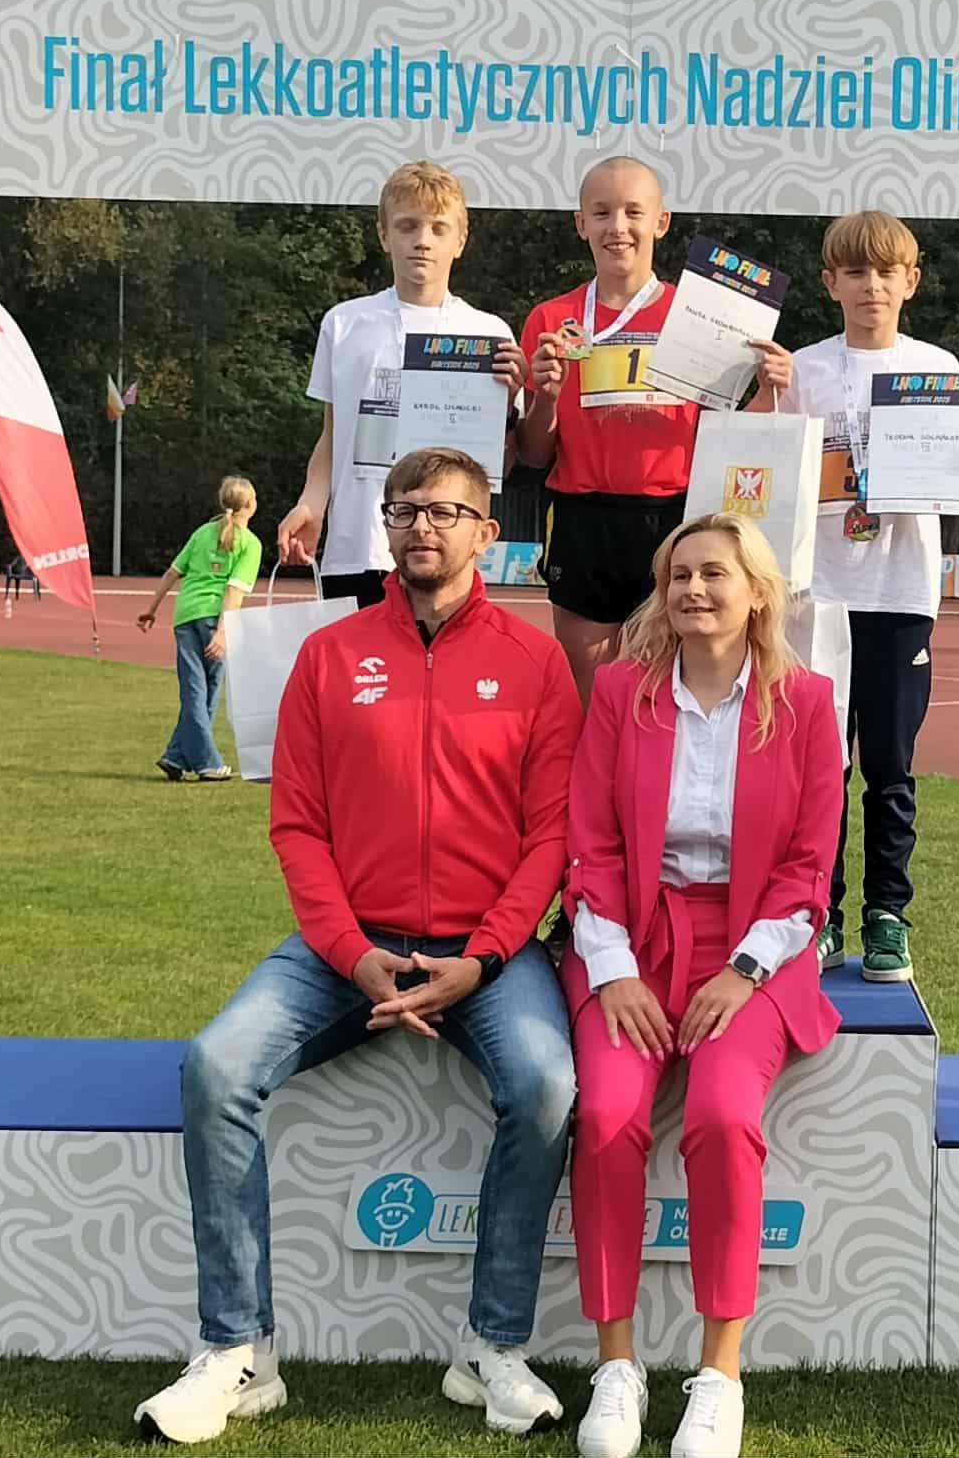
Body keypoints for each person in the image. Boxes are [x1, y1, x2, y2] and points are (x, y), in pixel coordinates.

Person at [136, 449, 582, 1444]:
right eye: (404, 509)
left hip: (486, 954)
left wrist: (485, 957)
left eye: (446, 512)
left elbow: (551, 834)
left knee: (547, 1086)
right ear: (384, 527)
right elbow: (297, 826)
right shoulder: (330, 656)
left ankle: (491, 1346)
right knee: (216, 1066)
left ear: (486, 533)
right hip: (347, 947)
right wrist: (350, 953)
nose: (422, 526)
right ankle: (238, 1351)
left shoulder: (534, 660)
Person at [561, 513, 843, 1458]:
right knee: (607, 1116)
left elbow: (809, 867)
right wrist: (613, 972)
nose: (693, 590)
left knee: (722, 1117)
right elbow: (592, 846)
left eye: (714, 574)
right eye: (678, 575)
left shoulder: (806, 702)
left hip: (753, 944)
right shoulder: (619, 693)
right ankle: (616, 1367)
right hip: (633, 939)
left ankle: (720, 1374)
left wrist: (746, 970)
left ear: (756, 592)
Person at [776, 210, 959, 978]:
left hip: (901, 592)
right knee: (819, 768)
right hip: (816, 594)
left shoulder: (937, 368)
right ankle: (817, 914)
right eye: (855, 272)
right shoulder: (800, 371)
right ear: (830, 284)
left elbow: (950, 475)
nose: (871, 286)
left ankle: (887, 915)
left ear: (911, 282)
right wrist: (766, 399)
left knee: (890, 767)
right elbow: (763, 468)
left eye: (886, 273)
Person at [517, 155, 789, 709]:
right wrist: (545, 395)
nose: (617, 227)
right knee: (590, 696)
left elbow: (730, 444)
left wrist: (767, 392)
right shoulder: (550, 319)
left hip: (676, 518)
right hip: (583, 517)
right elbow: (535, 453)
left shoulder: (702, 319)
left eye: (633, 212)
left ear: (661, 222)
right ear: (581, 224)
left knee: (675, 691)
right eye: (602, 213)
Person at [278, 162, 525, 609]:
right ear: (384, 234)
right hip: (356, 548)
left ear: (460, 240)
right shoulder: (344, 323)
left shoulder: (489, 334)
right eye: (408, 225)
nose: (422, 240)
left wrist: (505, 409)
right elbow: (332, 437)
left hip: (444, 553)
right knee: (356, 658)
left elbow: (500, 465)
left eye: (438, 228)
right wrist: (311, 505)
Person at [136, 476, 262, 782]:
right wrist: (222, 631)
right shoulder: (250, 543)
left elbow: (173, 572)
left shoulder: (202, 533)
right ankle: (207, 762)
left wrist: (151, 609)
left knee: (195, 689)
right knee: (204, 692)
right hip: (214, 618)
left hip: (185, 615)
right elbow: (233, 591)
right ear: (250, 504)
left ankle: (175, 756)